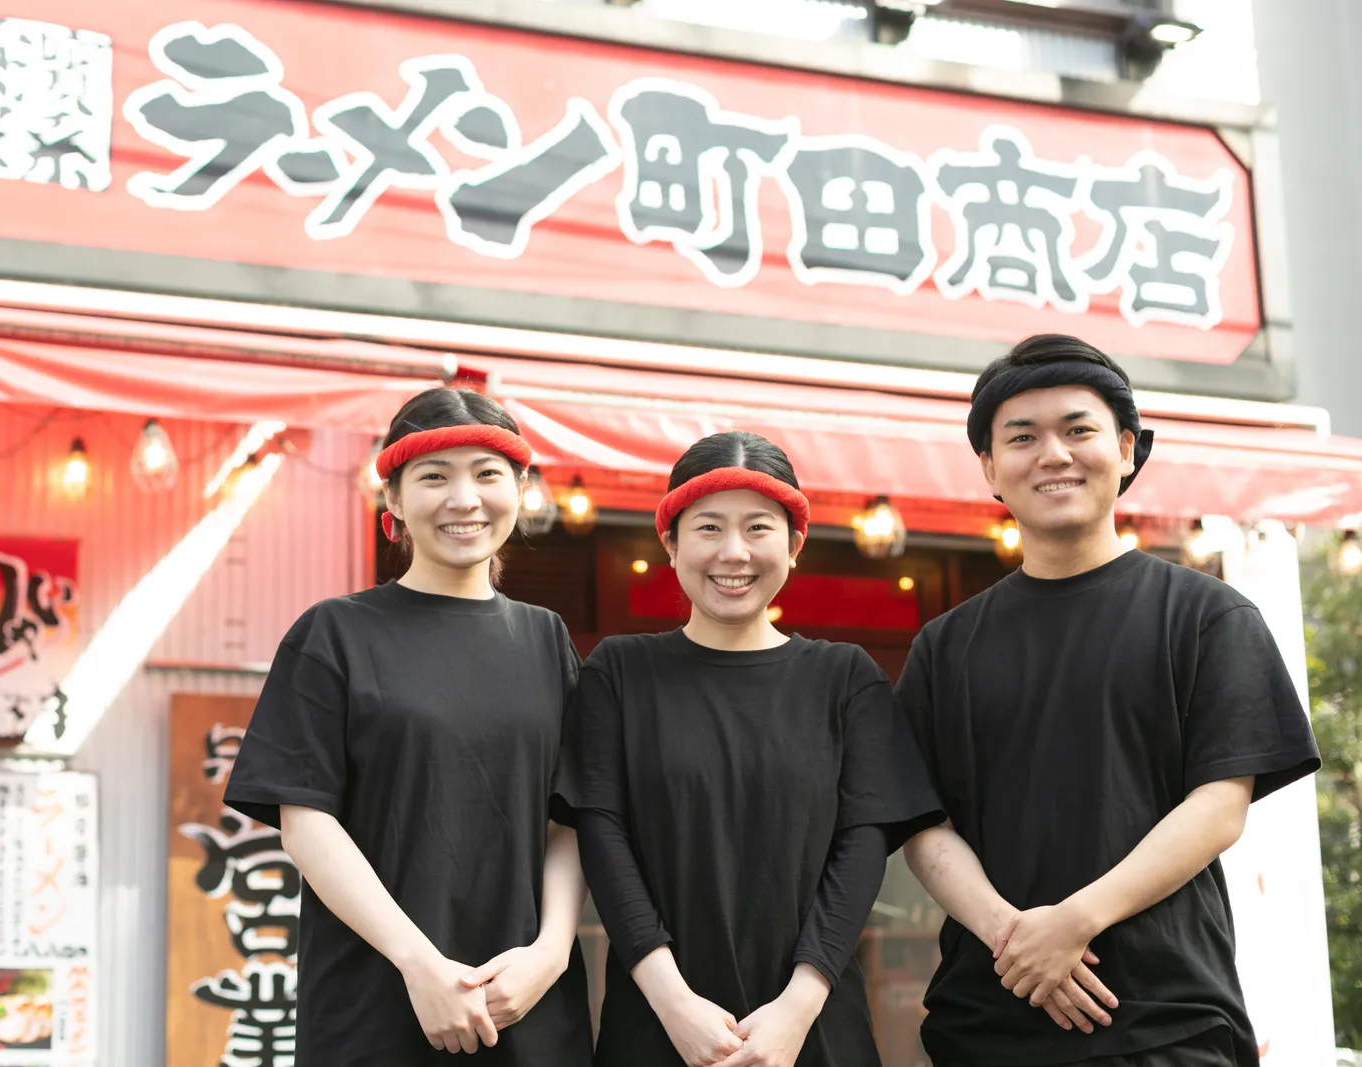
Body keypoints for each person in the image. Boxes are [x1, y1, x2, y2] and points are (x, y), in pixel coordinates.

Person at [895, 334, 1321, 1067]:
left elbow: (1220, 805)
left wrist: (1074, 921)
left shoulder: (1207, 617)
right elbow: (923, 825)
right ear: (992, 468)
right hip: (988, 1022)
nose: (1053, 454)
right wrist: (1017, 939)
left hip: (1168, 1018)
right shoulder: (945, 646)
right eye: (1022, 437)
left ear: (1127, 449)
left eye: (1078, 429)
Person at [223, 387, 593, 1066]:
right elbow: (307, 823)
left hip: (527, 1005)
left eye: (487, 474)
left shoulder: (545, 639)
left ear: (517, 486)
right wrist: (418, 962)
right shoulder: (334, 633)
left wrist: (551, 950)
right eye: (434, 476)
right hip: (376, 1005)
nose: (464, 499)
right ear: (392, 498)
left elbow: (569, 819)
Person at [558, 431, 945, 1067]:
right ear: (671, 542)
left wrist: (797, 1006)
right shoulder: (620, 674)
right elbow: (603, 837)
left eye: (758, 527)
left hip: (813, 1030)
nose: (733, 552)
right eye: (708, 527)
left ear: (793, 546)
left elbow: (862, 846)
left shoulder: (846, 679)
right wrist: (673, 1003)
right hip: (658, 1028)